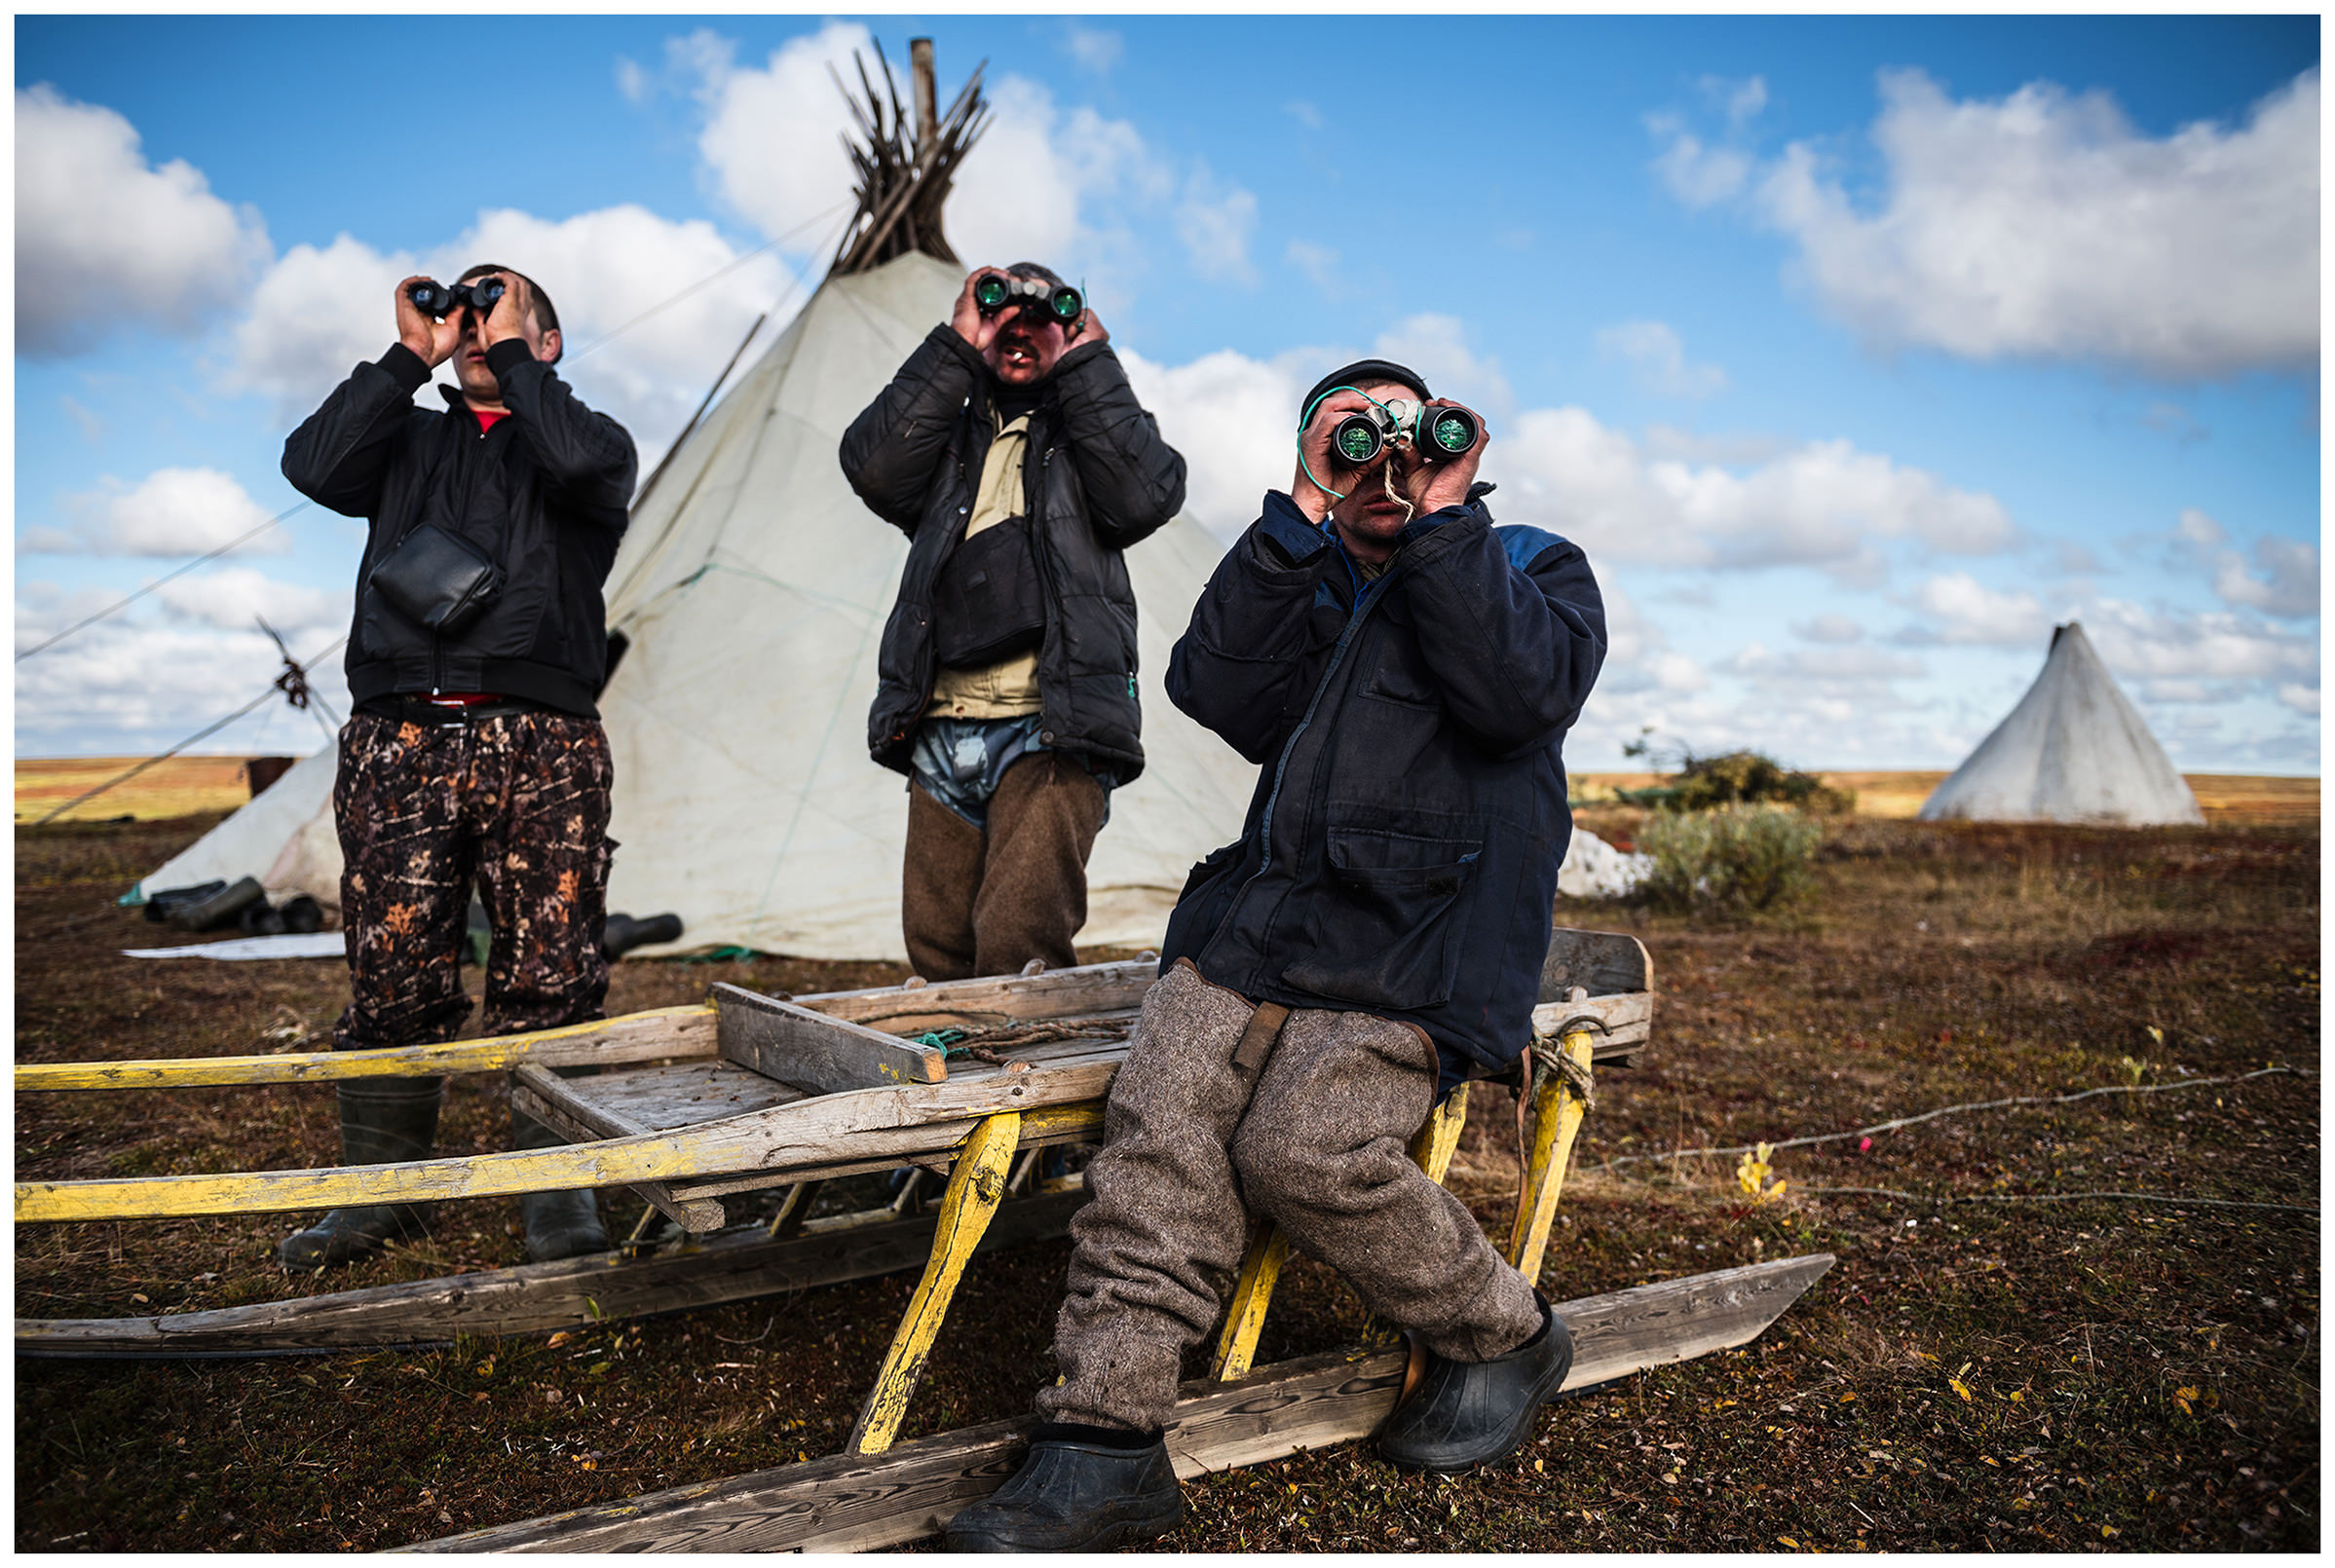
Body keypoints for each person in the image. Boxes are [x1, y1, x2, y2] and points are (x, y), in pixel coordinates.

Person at [946, 359, 1608, 1551]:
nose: (1381, 460)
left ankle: (1504, 1329)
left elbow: (1519, 695)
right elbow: (1212, 686)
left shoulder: (1527, 566)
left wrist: (1445, 521)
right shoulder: (1311, 577)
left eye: (1403, 437)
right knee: (1159, 1129)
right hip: (1263, 926)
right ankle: (1104, 1440)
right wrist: (1304, 507)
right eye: (1348, 439)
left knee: (1301, 1144)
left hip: (1422, 942)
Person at [276, 264, 638, 1269]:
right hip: (400, 735)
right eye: (466, 313)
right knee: (392, 973)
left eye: (501, 309)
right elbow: (311, 465)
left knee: (551, 973)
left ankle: (557, 1196)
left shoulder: (587, 447)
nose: (476, 324)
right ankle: (383, 1197)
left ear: (546, 342)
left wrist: (513, 351)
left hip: (544, 739)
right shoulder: (410, 437)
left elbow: (574, 458)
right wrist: (409, 355)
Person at [839, 263, 1187, 981]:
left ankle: (1020, 1093)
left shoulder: (1088, 430)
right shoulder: (950, 436)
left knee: (1018, 948)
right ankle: (958, 1093)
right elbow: (873, 466)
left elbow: (1144, 496)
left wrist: (1087, 357)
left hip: (1051, 724)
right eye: (1004, 309)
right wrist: (961, 336)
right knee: (936, 953)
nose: (1020, 327)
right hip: (940, 719)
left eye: (1044, 315)